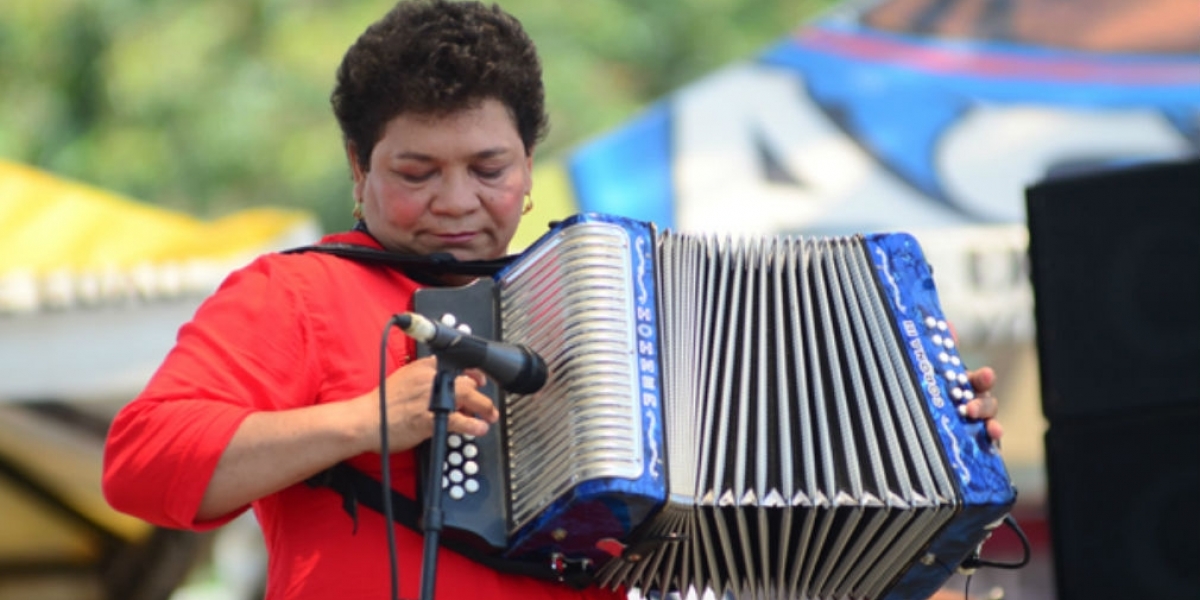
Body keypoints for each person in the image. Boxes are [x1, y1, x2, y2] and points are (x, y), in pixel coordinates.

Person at [102, 1, 1004, 599]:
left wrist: (925, 434)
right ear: (359, 172)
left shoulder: (614, 301)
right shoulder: (296, 291)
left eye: (487, 169)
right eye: (417, 172)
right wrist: (361, 421)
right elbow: (141, 466)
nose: (456, 201)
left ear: (529, 167)